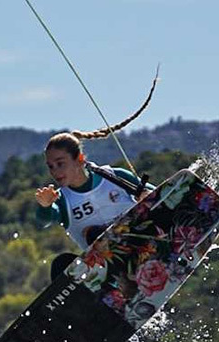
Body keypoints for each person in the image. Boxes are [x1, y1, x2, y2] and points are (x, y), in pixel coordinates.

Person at [33, 81, 157, 280]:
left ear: (79, 159)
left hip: (145, 248)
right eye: (50, 166)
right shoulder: (62, 199)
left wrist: (148, 196)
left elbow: (160, 195)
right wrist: (45, 206)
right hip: (110, 271)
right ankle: (83, 305)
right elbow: (44, 221)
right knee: (62, 264)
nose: (55, 171)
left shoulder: (114, 176)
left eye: (60, 163)